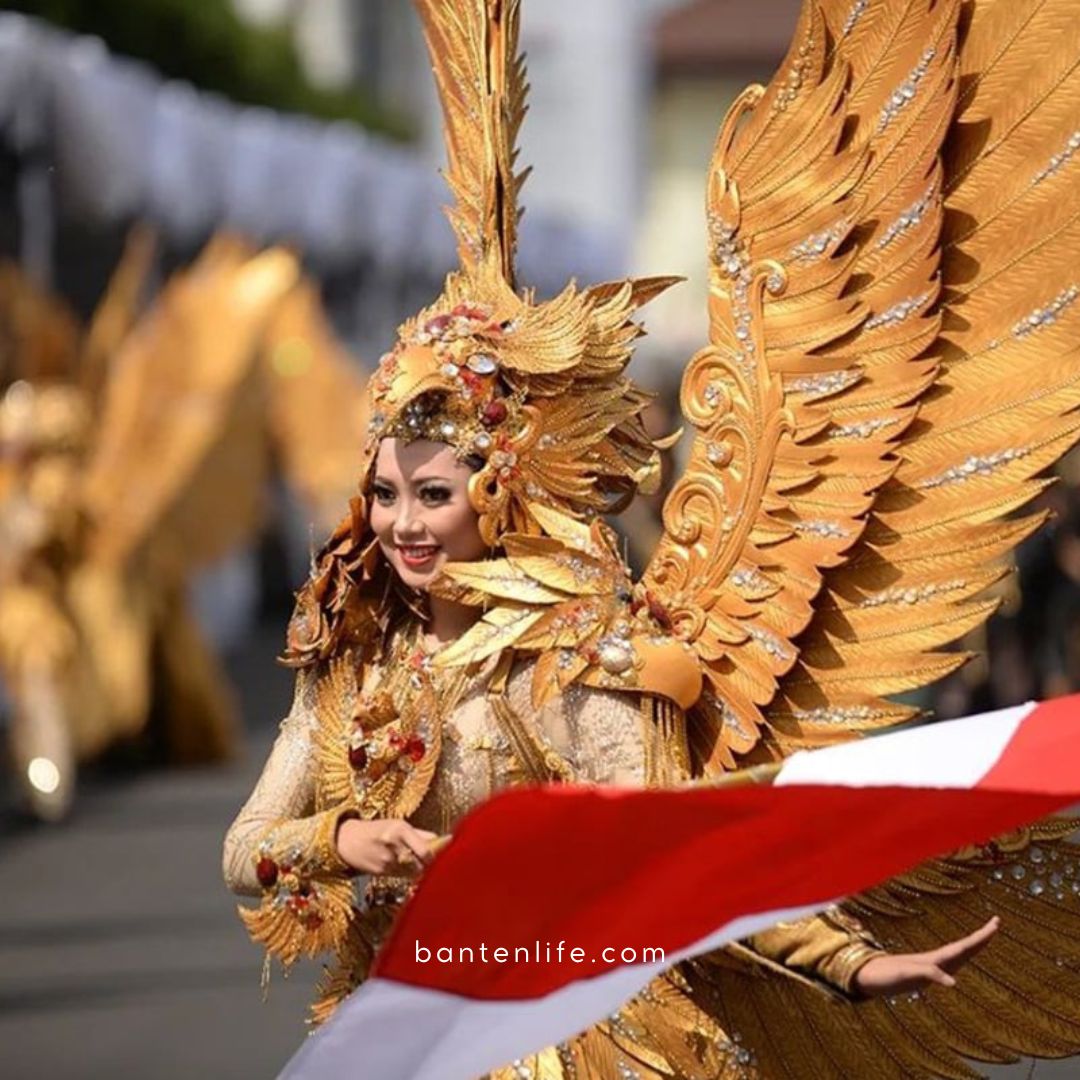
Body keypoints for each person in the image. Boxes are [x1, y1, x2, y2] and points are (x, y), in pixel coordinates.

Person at [225, 0, 1080, 1075]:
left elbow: (680, 858)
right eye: (386, 494)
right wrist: (343, 841)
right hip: (400, 1029)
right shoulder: (352, 658)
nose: (402, 525)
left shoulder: (582, 660)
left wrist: (848, 963)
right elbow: (247, 846)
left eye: (432, 496)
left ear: (494, 496)